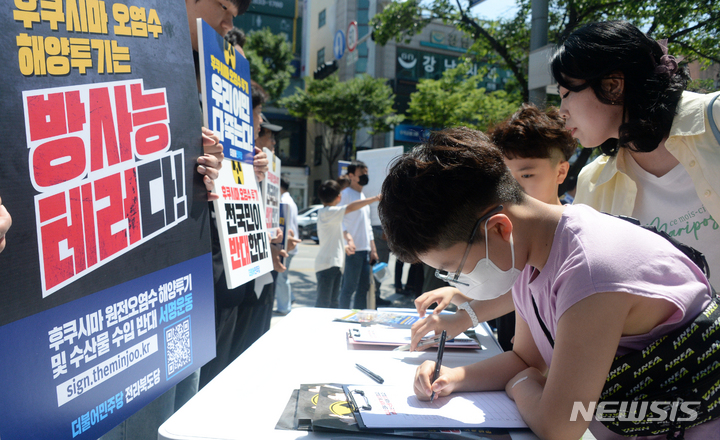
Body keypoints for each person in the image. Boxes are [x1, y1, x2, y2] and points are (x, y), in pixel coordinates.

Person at [378, 127, 719, 439]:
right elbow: (527, 358)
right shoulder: (531, 254)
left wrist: (522, 385)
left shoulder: (590, 269)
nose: (459, 280)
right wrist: (453, 378)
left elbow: (560, 424)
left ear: (499, 228)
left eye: (454, 266)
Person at [551, 20, 720, 279]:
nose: (561, 112)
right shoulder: (593, 183)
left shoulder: (715, 119)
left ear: (613, 85)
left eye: (566, 94)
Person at [409, 104, 578, 352]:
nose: (514, 189)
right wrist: (459, 295)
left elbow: (523, 293)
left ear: (561, 171)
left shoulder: (569, 239)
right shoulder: (502, 226)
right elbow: (508, 286)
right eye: (506, 178)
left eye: (527, 175)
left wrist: (464, 316)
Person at [315, 180, 380, 308]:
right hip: (327, 265)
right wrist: (375, 198)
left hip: (332, 265)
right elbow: (350, 207)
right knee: (323, 305)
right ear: (339, 197)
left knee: (332, 303)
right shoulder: (329, 212)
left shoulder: (327, 214)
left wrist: (343, 247)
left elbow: (331, 239)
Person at [338, 161, 386, 309]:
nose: (365, 176)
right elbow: (338, 219)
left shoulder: (361, 194)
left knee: (363, 288)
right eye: (362, 173)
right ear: (351, 175)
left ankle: (358, 316)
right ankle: (342, 316)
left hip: (365, 250)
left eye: (366, 173)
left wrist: (373, 248)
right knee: (349, 288)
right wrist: (347, 241)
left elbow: (367, 225)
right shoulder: (345, 194)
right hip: (353, 250)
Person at [275, 177, 300, 315]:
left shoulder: (283, 201)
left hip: (287, 244)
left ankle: (284, 307)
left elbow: (285, 226)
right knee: (284, 276)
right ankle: (290, 299)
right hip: (291, 244)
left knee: (281, 277)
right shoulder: (290, 201)